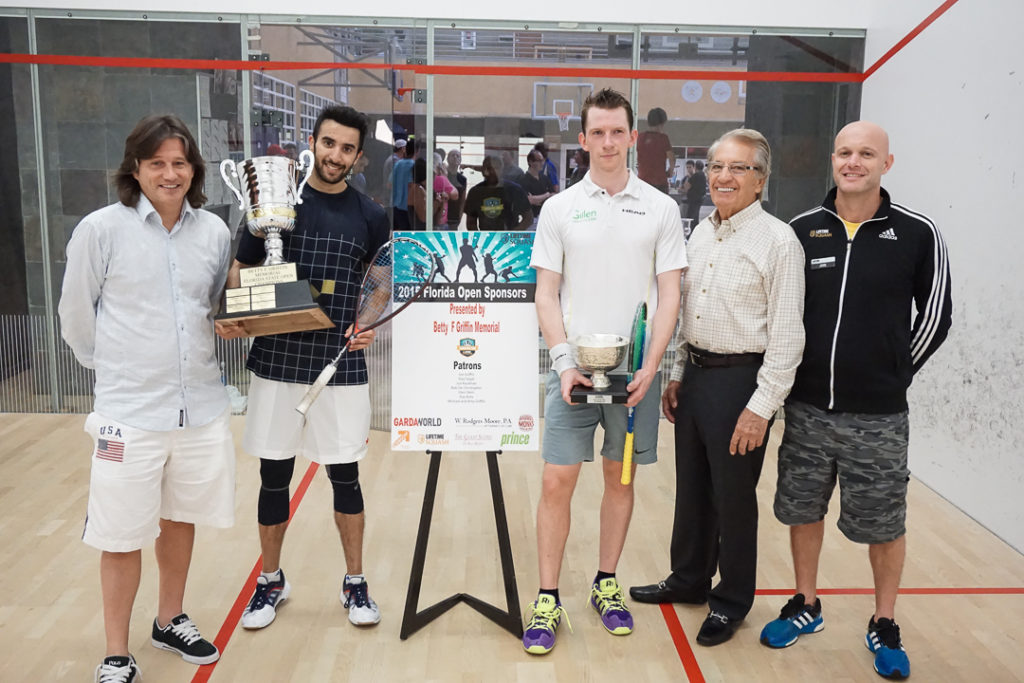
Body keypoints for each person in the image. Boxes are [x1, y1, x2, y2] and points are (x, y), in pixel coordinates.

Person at [759, 121, 952, 680]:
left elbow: (936, 316)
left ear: (886, 163)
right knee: (802, 510)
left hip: (880, 416)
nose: (853, 162)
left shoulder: (918, 233)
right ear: (832, 160)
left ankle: (884, 621)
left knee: (885, 524)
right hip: (808, 409)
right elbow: (782, 314)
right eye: (844, 152)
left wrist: (891, 374)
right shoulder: (800, 230)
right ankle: (806, 604)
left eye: (866, 153)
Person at [59, 114, 235, 683]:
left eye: (179, 162)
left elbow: (212, 310)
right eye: (156, 162)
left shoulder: (213, 232)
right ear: (135, 169)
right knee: (120, 532)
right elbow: (75, 318)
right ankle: (116, 651)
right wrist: (113, 372)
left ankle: (169, 618)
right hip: (128, 415)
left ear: (194, 170)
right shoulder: (100, 229)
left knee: (180, 519)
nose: (169, 173)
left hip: (200, 409)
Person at [524, 87, 687, 655]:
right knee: (555, 481)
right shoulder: (559, 208)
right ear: (584, 138)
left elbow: (670, 297)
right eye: (598, 132)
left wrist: (652, 367)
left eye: (619, 131)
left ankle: (606, 583)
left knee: (621, 480)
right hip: (571, 373)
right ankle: (547, 596)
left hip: (635, 377)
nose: (609, 141)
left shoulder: (662, 210)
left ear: (633, 137)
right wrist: (564, 360)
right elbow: (546, 294)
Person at [217, 104, 391, 633]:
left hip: (339, 365)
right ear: (311, 142)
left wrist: (367, 322)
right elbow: (241, 270)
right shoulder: (272, 201)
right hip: (275, 363)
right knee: (275, 476)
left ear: (358, 157)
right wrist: (238, 312)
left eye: (346, 149)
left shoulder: (371, 215)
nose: (335, 155)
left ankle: (354, 582)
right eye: (328, 143)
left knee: (346, 476)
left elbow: (380, 281)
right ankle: (270, 580)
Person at [630, 128, 806, 648]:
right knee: (693, 490)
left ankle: (730, 602)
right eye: (717, 166)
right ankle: (688, 580)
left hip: (743, 384)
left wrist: (761, 407)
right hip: (699, 377)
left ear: (761, 180)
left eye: (739, 168)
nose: (724, 177)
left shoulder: (779, 241)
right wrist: (679, 374)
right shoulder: (701, 233)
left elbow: (789, 336)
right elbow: (689, 313)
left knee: (733, 499)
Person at [464, 154, 532, 230]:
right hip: (485, 239)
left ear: (502, 169)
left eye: (495, 168)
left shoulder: (515, 190)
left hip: (510, 239)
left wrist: (512, 235)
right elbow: (471, 223)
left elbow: (528, 218)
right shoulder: (475, 192)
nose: (491, 171)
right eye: (487, 168)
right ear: (483, 171)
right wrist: (480, 240)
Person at [407, 156, 457, 229]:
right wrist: (437, 202)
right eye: (433, 174)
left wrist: (441, 202)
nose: (435, 176)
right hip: (420, 233)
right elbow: (424, 217)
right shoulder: (417, 189)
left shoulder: (428, 189)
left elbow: (437, 219)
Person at [636, 106, 675, 193]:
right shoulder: (663, 138)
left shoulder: (640, 137)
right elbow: (672, 158)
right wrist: (670, 171)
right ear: (662, 123)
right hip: (659, 183)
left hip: (643, 183)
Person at [518, 149, 555, 229]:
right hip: (531, 220)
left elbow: (553, 195)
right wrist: (546, 195)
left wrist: (539, 199)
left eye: (543, 160)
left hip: (545, 219)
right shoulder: (523, 180)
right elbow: (530, 200)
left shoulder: (544, 178)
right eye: (539, 161)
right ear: (530, 162)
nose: (542, 163)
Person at [389, 139, 415, 229]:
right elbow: (411, 185)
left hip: (396, 205)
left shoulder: (398, 164)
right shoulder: (413, 165)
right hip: (409, 208)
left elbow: (389, 184)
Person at [446, 149, 468, 229]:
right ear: (447, 159)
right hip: (441, 216)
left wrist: (460, 216)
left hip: (454, 218)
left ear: (460, 160)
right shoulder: (443, 175)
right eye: (452, 155)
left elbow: (462, 200)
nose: (455, 157)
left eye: (457, 156)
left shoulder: (463, 179)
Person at [683, 159, 707, 225]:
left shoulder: (696, 175)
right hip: (699, 198)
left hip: (693, 199)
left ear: (695, 167)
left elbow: (687, 187)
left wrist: (688, 178)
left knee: (691, 216)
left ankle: (691, 230)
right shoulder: (703, 175)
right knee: (695, 216)